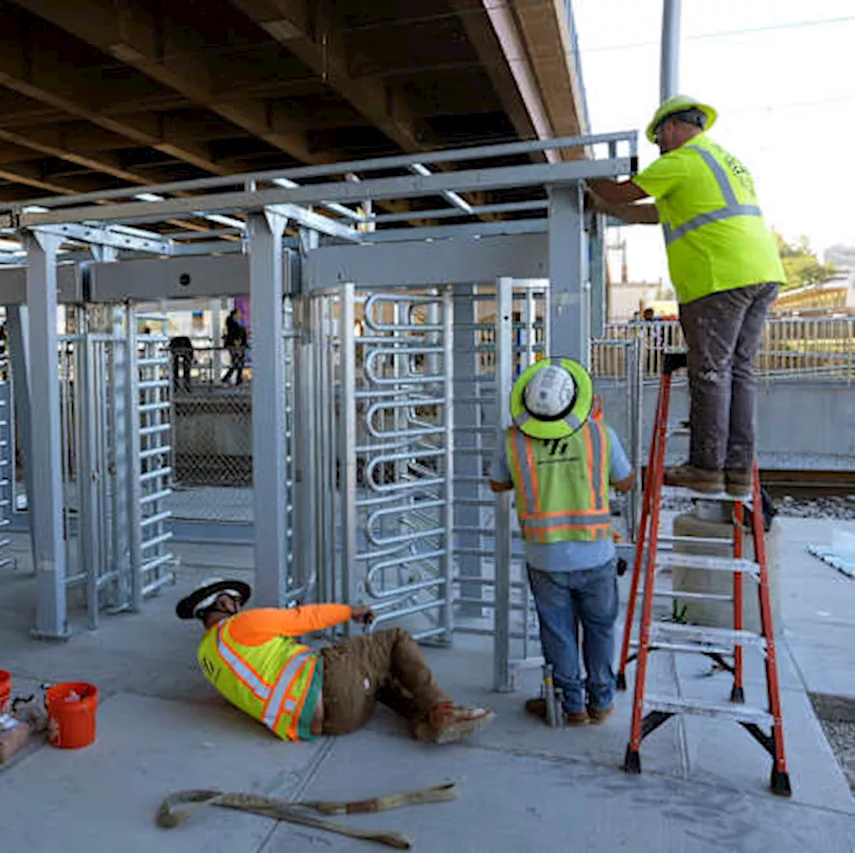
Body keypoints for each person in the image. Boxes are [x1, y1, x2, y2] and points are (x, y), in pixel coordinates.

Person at [587, 95, 784, 497]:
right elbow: (649, 212)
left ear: (672, 128)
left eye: (659, 137)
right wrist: (602, 207)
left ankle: (706, 468)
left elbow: (625, 193)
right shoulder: (721, 161)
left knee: (710, 372)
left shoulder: (681, 159)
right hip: (760, 273)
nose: (658, 146)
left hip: (718, 278)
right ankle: (737, 470)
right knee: (740, 372)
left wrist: (581, 176)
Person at [488, 358, 635, 725]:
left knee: (558, 633)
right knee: (600, 628)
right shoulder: (600, 435)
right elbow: (627, 481)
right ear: (577, 400)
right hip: (596, 554)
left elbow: (497, 484)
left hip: (545, 558)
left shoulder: (514, 440)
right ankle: (601, 702)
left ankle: (572, 705)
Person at [176, 578, 494, 743]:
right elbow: (302, 618)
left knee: (378, 671)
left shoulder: (207, 656)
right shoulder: (239, 627)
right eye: (233, 600)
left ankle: (419, 720)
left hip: (329, 724)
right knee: (395, 639)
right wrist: (350, 611)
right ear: (220, 603)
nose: (238, 605)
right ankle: (442, 710)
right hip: (328, 685)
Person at [221, 309, 248, 386]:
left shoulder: (236, 323)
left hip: (239, 346)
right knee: (237, 362)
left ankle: (234, 379)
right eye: (239, 314)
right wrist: (237, 345)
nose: (240, 315)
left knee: (237, 363)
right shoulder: (232, 324)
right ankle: (229, 379)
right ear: (234, 315)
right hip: (235, 346)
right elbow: (234, 335)